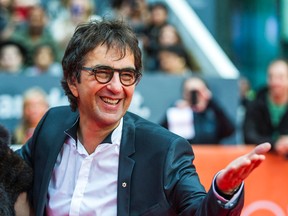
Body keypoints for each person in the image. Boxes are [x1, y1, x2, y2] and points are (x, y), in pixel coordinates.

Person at [17, 19, 271, 215]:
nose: (116, 87)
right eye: (103, 72)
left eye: (126, 75)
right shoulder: (52, 125)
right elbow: (10, 170)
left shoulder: (163, 149)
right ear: (74, 80)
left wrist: (223, 192)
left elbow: (197, 210)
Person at [161, 76, 235, 144]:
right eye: (191, 92)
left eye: (199, 91)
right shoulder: (178, 112)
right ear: (184, 94)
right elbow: (161, 133)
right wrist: (175, 112)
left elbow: (229, 131)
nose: (195, 95)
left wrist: (211, 102)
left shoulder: (212, 112)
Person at [243, 59, 288, 158]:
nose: (275, 82)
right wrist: (275, 144)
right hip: (260, 163)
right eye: (271, 77)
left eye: (280, 77)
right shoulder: (255, 102)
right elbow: (249, 135)